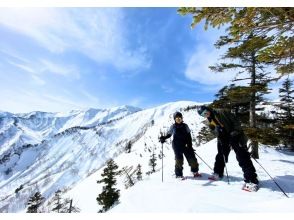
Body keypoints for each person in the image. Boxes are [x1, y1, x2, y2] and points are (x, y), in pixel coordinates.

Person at [197, 105, 259, 191]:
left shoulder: (222, 112)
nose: (205, 114)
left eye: (205, 112)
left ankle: (252, 180)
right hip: (223, 139)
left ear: (208, 109)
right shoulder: (209, 120)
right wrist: (217, 131)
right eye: (203, 115)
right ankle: (218, 173)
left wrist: (235, 132)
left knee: (242, 157)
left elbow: (236, 122)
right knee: (220, 155)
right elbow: (213, 132)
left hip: (236, 136)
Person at [159, 111, 201, 178]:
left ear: (182, 118)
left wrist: (190, 145)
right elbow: (169, 134)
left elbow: (189, 136)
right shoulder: (173, 126)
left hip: (185, 144)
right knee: (179, 160)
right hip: (176, 145)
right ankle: (179, 175)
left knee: (192, 158)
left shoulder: (185, 126)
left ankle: (195, 171)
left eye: (180, 118)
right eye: (177, 118)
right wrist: (164, 138)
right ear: (175, 119)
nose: (178, 119)